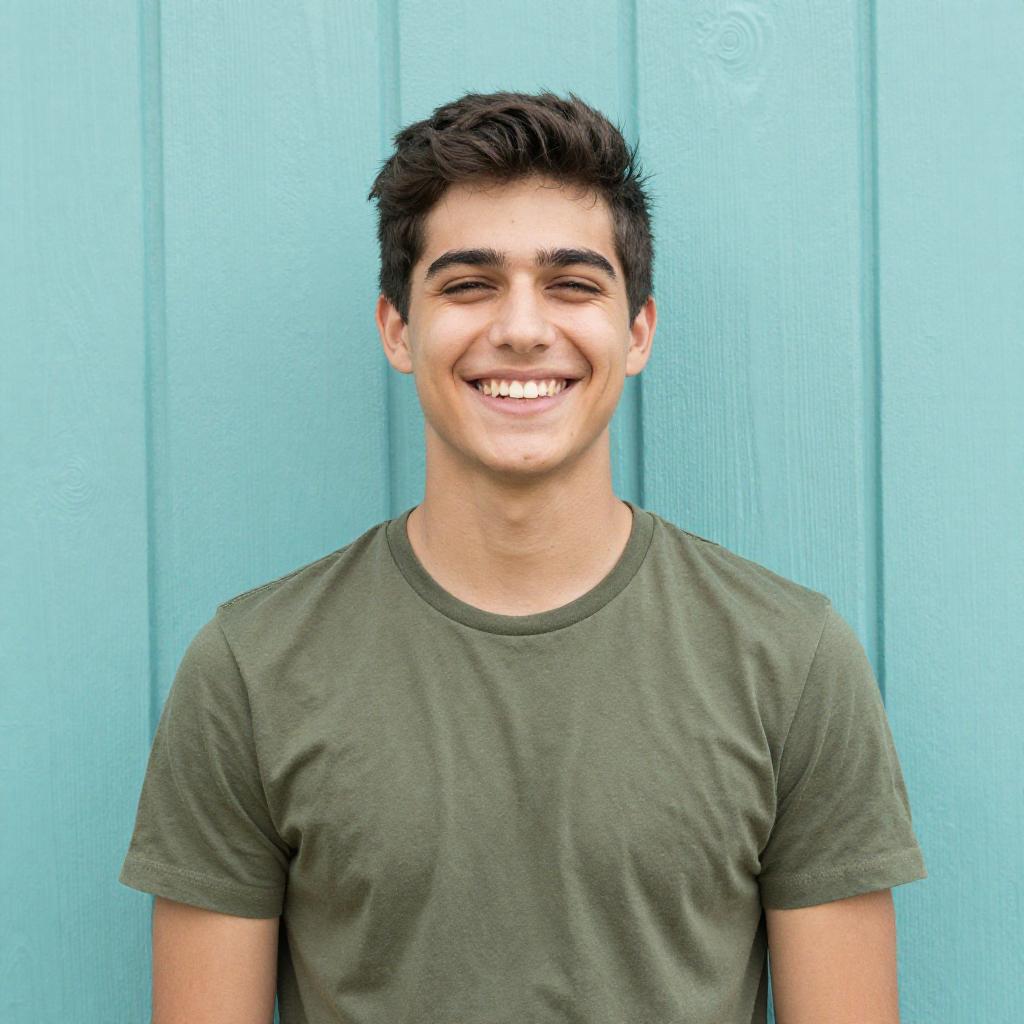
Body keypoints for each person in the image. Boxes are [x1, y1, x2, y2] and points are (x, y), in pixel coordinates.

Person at [119, 90, 927, 1024]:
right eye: (469, 285)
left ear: (637, 332)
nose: (522, 328)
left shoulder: (789, 659)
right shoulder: (251, 669)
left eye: (573, 285)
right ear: (397, 328)